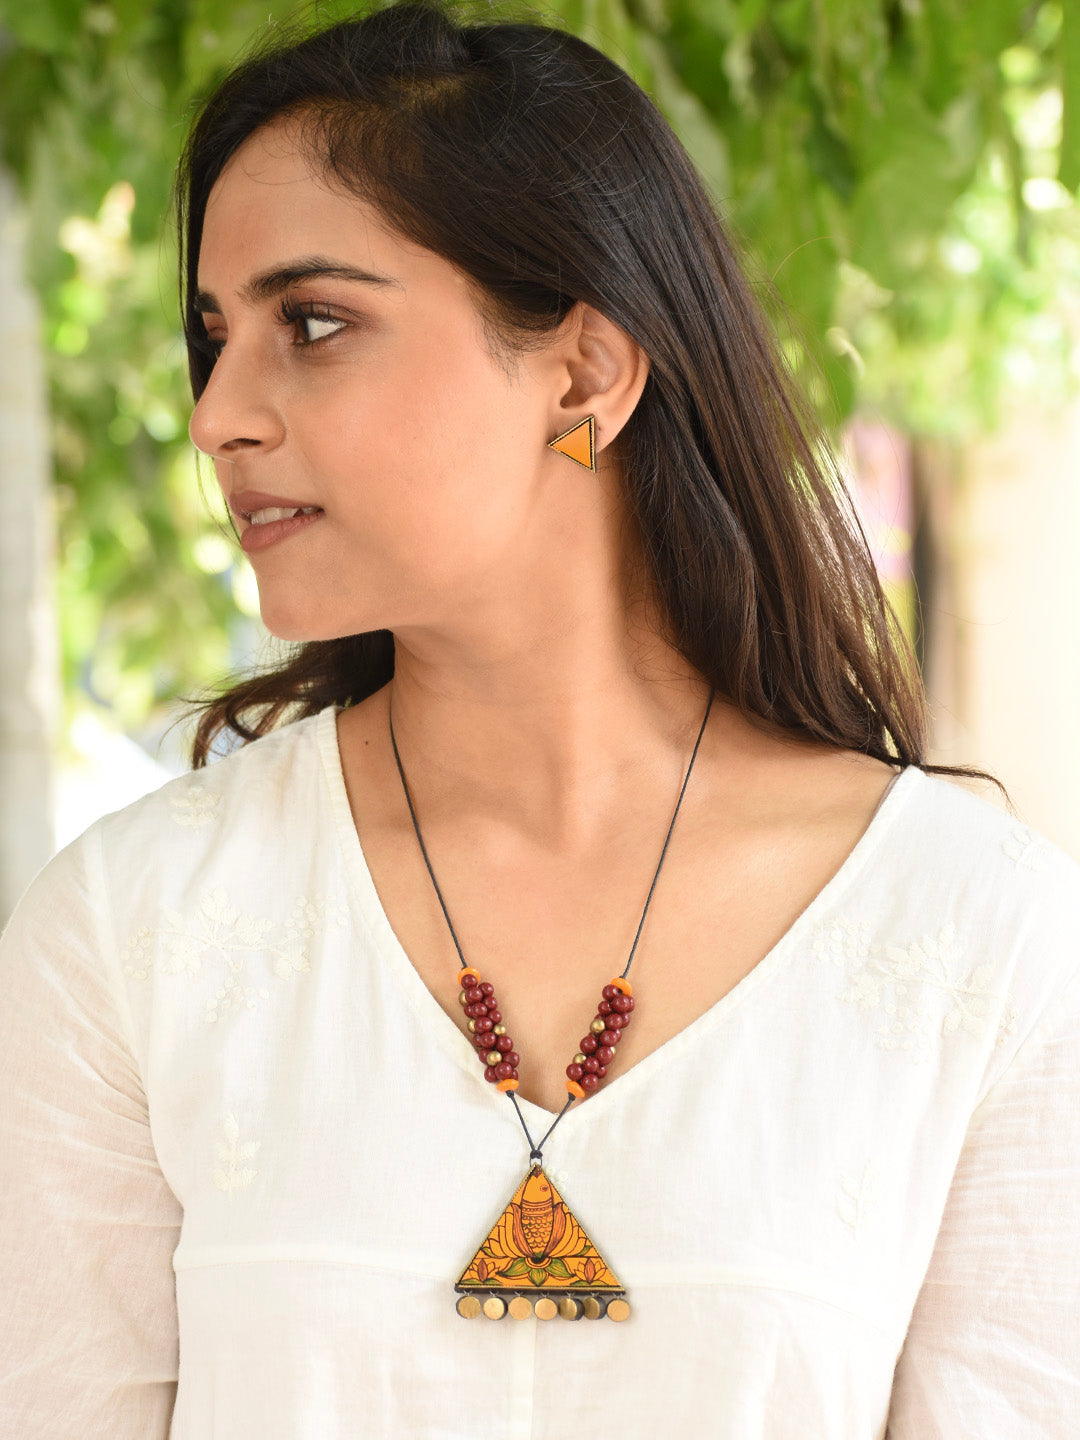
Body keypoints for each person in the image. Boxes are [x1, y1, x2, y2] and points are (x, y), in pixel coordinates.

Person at [2, 1, 1078, 1434]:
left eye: (312, 323)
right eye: (215, 337)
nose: (217, 417)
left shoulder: (980, 939)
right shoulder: (131, 933)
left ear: (583, 374)